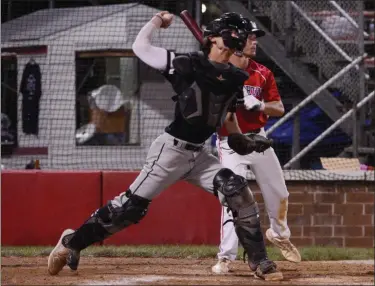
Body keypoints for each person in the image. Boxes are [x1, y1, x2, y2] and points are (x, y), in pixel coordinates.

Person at [47, 11, 283, 281]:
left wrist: (246, 141)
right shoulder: (186, 64)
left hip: (200, 155)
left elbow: (229, 123)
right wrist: (158, 21)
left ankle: (260, 261)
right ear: (214, 38)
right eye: (232, 31)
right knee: (129, 209)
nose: (239, 36)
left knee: (237, 191)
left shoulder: (234, 78)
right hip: (171, 151)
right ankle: (71, 242)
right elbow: (140, 48)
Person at [211, 20, 301, 274]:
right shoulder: (219, 71)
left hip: (257, 140)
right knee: (233, 196)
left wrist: (259, 104)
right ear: (236, 42)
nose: (255, 42)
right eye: (250, 37)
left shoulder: (263, 72)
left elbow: (279, 108)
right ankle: (226, 256)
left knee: (280, 193)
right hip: (230, 142)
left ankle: (279, 234)